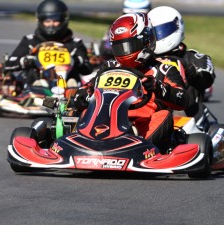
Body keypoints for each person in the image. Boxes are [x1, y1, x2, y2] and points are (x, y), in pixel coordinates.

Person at [74, 13, 193, 152]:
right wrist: (83, 94)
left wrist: (158, 87)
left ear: (147, 41)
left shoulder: (163, 69)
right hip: (107, 121)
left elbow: (183, 99)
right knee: (84, 113)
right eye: (120, 47)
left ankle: (141, 150)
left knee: (163, 116)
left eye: (130, 45)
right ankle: (82, 143)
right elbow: (85, 91)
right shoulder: (110, 67)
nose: (125, 52)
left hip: (144, 127)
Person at [148, 6, 216, 131]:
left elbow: (206, 80)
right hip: (152, 113)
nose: (157, 36)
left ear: (177, 27)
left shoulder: (193, 58)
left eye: (160, 31)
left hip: (187, 114)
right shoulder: (146, 59)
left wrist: (191, 71)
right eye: (152, 32)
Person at [4, 0, 93, 88]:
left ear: (64, 21)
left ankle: (71, 89)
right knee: (31, 71)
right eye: (47, 21)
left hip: (66, 86)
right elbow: (9, 64)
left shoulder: (75, 44)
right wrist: (26, 61)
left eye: (55, 21)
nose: (51, 25)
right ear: (40, 21)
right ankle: (38, 86)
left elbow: (87, 69)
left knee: (74, 74)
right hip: (35, 84)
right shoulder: (30, 41)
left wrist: (76, 60)